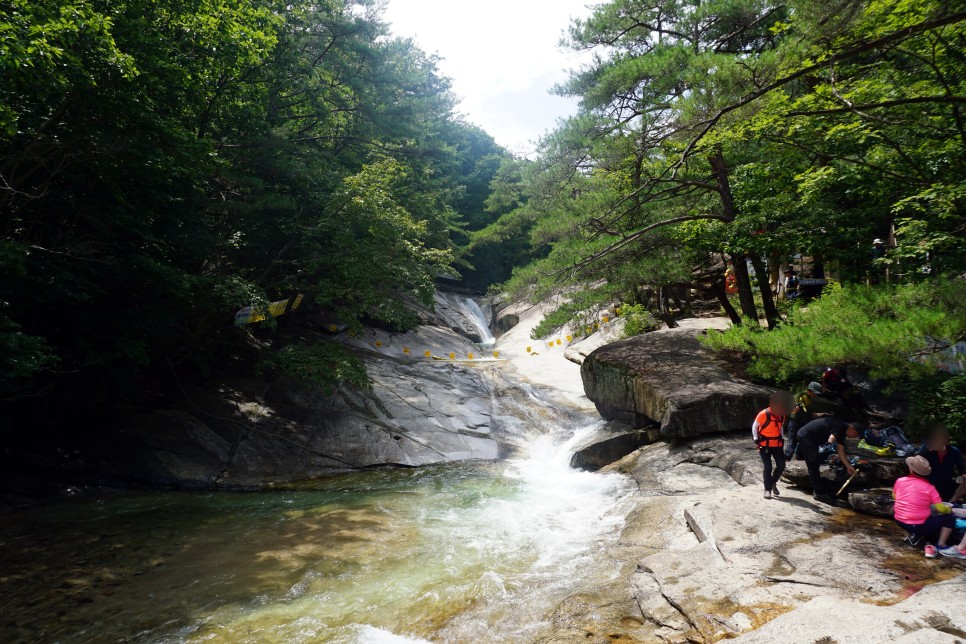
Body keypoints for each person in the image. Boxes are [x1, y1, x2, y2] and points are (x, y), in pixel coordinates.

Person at [893, 455, 966, 559]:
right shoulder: (929, 488)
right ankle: (941, 544)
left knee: (920, 512)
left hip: (899, 520)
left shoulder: (900, 481)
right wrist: (949, 509)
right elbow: (941, 508)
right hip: (917, 525)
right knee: (949, 518)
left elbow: (895, 496)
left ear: (910, 469)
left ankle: (915, 535)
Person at [796, 417, 861, 501]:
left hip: (813, 439)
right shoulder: (839, 426)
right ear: (853, 430)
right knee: (813, 465)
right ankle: (818, 493)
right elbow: (831, 439)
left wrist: (848, 466)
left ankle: (821, 490)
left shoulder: (843, 431)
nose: (853, 437)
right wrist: (830, 443)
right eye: (855, 435)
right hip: (805, 436)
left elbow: (840, 450)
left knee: (815, 463)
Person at [785, 382, 843, 459]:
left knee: (803, 440)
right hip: (795, 422)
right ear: (810, 390)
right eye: (815, 393)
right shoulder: (799, 396)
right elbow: (792, 409)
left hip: (804, 422)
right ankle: (786, 459)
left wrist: (821, 414)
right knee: (792, 441)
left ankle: (800, 456)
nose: (815, 395)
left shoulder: (810, 399)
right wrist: (795, 409)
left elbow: (809, 413)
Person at [753, 392, 792, 500]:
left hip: (777, 444)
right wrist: (756, 439)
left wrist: (782, 438)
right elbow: (755, 426)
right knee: (768, 466)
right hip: (764, 444)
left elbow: (780, 427)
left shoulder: (781, 415)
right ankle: (767, 489)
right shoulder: (763, 414)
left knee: (781, 465)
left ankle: (773, 482)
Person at [915, 424, 966, 502]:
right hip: (928, 487)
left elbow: (963, 470)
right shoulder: (925, 449)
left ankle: (952, 501)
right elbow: (914, 466)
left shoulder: (954, 451)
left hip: (947, 486)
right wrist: (928, 450)